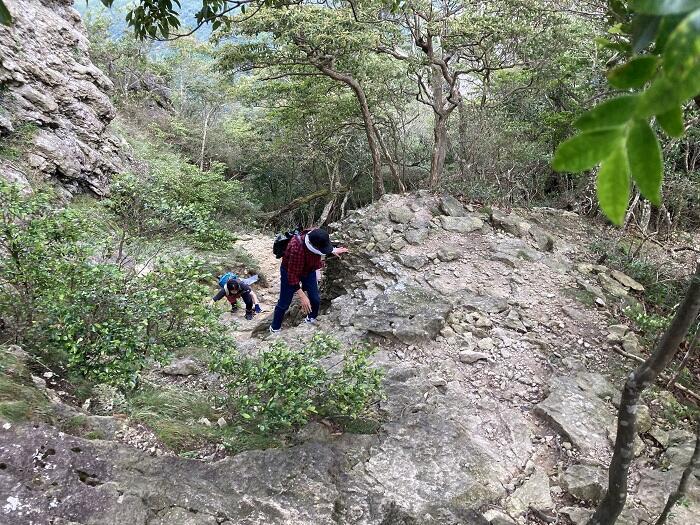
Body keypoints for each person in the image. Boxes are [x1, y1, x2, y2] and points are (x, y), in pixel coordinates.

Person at [270, 228, 347, 333]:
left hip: (309, 270)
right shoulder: (297, 248)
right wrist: (302, 296)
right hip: (289, 271)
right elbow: (292, 276)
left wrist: (331, 250)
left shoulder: (315, 234)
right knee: (284, 303)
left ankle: (311, 318)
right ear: (313, 246)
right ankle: (275, 328)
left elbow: (321, 246)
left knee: (315, 299)